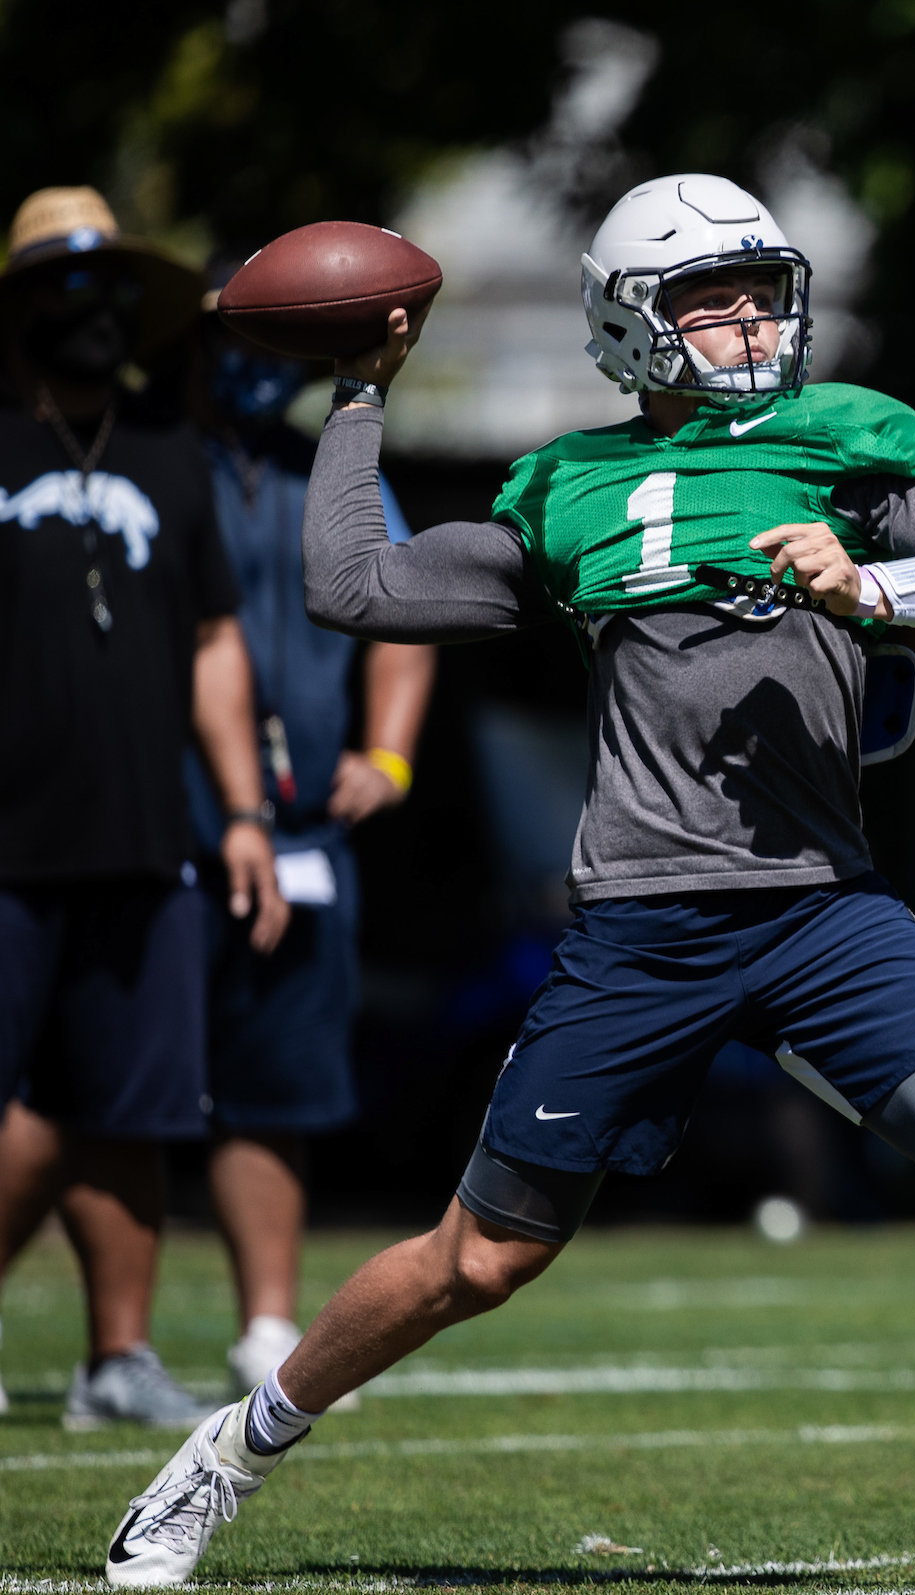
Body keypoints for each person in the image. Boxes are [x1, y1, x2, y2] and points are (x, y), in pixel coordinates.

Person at [100, 174, 915, 1595]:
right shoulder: (566, 484)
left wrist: (873, 588)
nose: (751, 319)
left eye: (764, 290)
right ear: (634, 326)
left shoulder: (847, 450)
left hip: (826, 905)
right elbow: (358, 591)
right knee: (478, 1258)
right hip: (642, 926)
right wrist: (360, 399)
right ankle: (227, 1453)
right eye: (713, 296)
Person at [0, 187, 289, 1429]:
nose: (90, 312)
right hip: (2, 846)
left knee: (135, 1109)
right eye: (62, 288)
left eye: (108, 286)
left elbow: (217, 643)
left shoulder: (171, 457)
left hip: (142, 835)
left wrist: (241, 813)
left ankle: (117, 1360)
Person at [185, 284, 435, 1393]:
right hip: (160, 821)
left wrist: (387, 756)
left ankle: (264, 1323)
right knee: (99, 1089)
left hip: (298, 831)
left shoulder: (333, 471)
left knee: (273, 1086)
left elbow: (407, 608)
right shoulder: (154, 459)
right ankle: (111, 1337)